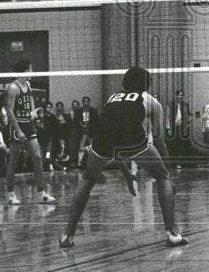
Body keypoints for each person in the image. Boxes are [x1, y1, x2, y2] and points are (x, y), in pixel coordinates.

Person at [59, 67, 187, 248]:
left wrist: (126, 172)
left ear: (124, 83)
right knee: (162, 178)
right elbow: (160, 142)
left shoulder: (112, 99)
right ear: (147, 84)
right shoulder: (152, 102)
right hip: (132, 138)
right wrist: (166, 175)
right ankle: (172, 234)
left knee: (87, 179)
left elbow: (114, 141)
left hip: (103, 139)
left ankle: (67, 235)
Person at [4, 59, 55, 205]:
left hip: (28, 124)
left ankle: (41, 193)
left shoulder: (28, 85)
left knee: (38, 157)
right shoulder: (13, 88)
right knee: (13, 161)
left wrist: (33, 111)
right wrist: (18, 131)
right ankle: (10, 194)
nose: (32, 72)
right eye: (31, 69)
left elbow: (31, 99)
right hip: (17, 125)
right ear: (25, 71)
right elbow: (9, 111)